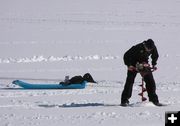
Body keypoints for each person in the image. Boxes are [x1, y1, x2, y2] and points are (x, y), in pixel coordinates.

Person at [121, 39, 162, 106]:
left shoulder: (153, 47)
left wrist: (154, 64)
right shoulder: (137, 47)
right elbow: (126, 55)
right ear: (144, 45)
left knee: (150, 81)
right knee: (129, 82)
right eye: (147, 48)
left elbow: (155, 55)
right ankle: (124, 101)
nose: (148, 50)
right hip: (133, 64)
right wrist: (129, 65)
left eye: (150, 49)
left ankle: (154, 101)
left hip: (144, 64)